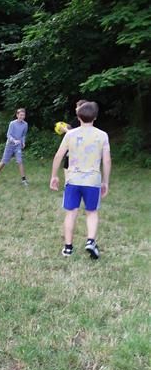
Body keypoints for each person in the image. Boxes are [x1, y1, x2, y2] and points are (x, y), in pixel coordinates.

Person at [50, 100, 111, 259]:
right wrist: (105, 181)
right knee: (92, 212)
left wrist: (54, 176)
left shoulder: (70, 134)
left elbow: (58, 155)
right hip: (92, 181)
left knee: (71, 213)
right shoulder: (102, 135)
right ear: (95, 117)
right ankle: (90, 241)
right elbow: (106, 160)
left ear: (78, 116)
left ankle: (68, 248)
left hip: (73, 180)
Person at [0, 108, 28, 185]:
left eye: (23, 115)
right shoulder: (12, 123)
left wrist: (23, 142)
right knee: (4, 161)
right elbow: (8, 135)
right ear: (17, 115)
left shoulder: (25, 124)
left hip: (18, 145)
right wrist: (14, 141)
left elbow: (23, 135)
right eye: (21, 115)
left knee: (20, 161)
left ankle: (24, 180)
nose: (22, 117)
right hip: (10, 145)